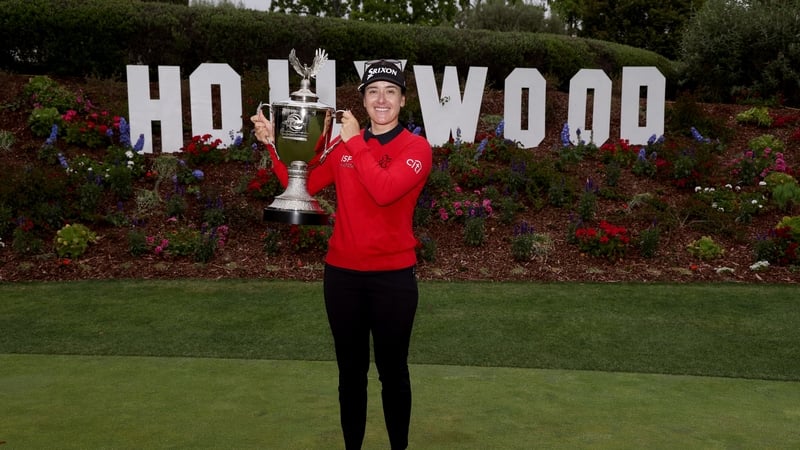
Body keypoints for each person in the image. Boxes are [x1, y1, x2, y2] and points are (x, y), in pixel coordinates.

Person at [251, 59, 432, 450]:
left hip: (393, 278)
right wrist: (272, 145)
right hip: (342, 276)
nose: (381, 100)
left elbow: (384, 191)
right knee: (350, 375)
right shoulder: (343, 146)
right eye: (373, 92)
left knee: (393, 373)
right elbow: (303, 185)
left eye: (390, 92)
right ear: (363, 100)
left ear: (402, 100)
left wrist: (355, 144)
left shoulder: (416, 148)